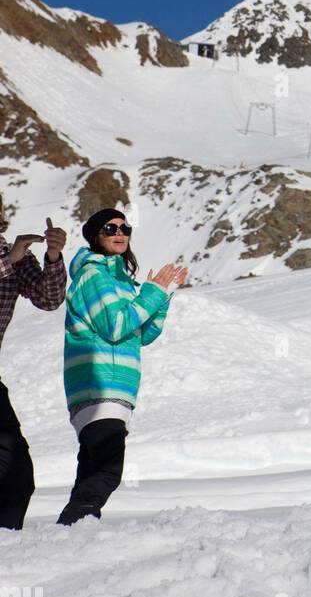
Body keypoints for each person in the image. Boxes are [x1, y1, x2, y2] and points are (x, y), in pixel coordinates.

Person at [57, 209, 187, 526]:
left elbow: (141, 334)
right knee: (107, 470)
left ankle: (69, 534)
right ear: (94, 235)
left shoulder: (121, 282)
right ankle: (76, 527)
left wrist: (162, 297)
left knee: (94, 470)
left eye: (125, 227)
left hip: (115, 389)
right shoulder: (93, 276)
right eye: (110, 227)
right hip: (98, 385)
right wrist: (152, 293)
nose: (120, 232)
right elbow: (116, 326)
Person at [0, 199, 67, 529]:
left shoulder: (14, 255)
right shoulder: (9, 256)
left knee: (17, 474)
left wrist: (52, 256)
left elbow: (49, 299)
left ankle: (6, 549)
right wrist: (8, 259)